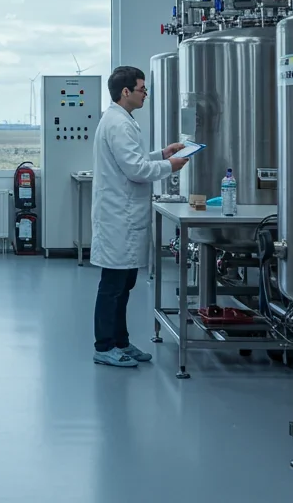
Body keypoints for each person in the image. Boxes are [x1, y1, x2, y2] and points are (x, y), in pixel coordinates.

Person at [90, 65, 189, 368]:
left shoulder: (123, 120)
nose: (146, 94)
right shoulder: (117, 124)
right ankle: (104, 346)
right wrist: (170, 166)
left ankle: (121, 342)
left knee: (125, 284)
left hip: (126, 217)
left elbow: (133, 159)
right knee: (113, 286)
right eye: (142, 89)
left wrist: (161, 154)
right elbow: (135, 170)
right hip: (118, 217)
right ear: (126, 92)